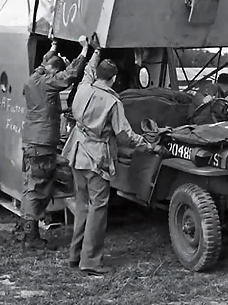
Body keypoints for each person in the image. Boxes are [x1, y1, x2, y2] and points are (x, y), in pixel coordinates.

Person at [62, 34, 161, 276]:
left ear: (98, 75)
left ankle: (76, 255)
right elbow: (125, 135)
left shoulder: (84, 87)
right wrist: (149, 146)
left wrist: (95, 51)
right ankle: (91, 261)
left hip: (76, 153)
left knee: (83, 205)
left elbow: (87, 71)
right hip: (96, 158)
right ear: (115, 79)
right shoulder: (112, 102)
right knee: (98, 208)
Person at [20, 36, 89, 249]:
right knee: (37, 188)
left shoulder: (35, 77)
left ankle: (25, 229)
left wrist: (54, 47)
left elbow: (45, 61)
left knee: (31, 185)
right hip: (41, 143)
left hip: (33, 142)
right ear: (52, 71)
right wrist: (84, 51)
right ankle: (30, 237)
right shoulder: (47, 82)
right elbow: (68, 76)